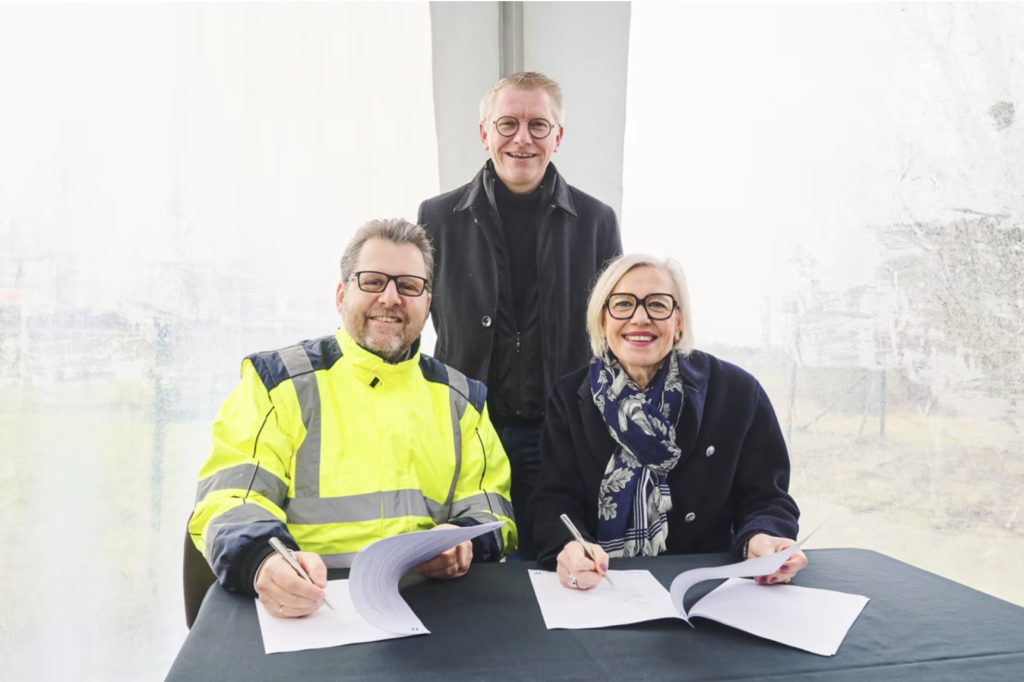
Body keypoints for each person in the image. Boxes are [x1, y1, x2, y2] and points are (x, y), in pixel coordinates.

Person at [189, 218, 517, 618]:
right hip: (310, 610)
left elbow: (492, 506)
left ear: (428, 303)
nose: (391, 298)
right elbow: (232, 497)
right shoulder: (278, 384)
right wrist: (265, 561)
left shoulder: (462, 398)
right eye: (373, 281)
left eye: (409, 286)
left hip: (430, 612)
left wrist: (462, 541)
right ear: (342, 294)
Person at [418, 72, 622, 559]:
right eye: (507, 124)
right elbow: (411, 312)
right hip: (466, 426)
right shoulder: (437, 217)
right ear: (484, 133)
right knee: (469, 563)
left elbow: (615, 331)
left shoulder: (597, 221)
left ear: (559, 136)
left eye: (538, 125)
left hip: (559, 429)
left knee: (550, 557)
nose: (522, 138)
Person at [532, 254, 807, 590]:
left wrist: (763, 537)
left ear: (679, 322)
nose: (640, 317)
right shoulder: (569, 396)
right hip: (603, 588)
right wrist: (570, 546)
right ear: (603, 320)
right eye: (622, 304)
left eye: (658, 305)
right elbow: (553, 501)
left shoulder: (737, 392)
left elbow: (768, 498)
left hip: (706, 587)